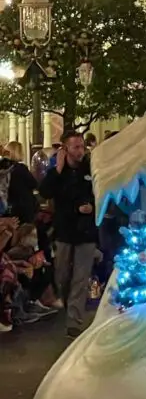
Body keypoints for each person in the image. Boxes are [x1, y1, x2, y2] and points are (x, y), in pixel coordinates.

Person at [39, 131, 97, 337]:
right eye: (75, 147)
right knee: (62, 275)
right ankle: (64, 301)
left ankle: (74, 320)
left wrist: (91, 207)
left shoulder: (90, 169)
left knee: (81, 278)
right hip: (64, 231)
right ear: (65, 150)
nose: (80, 151)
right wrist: (57, 169)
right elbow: (44, 192)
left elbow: (99, 193)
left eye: (82, 146)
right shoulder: (58, 173)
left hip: (86, 232)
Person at [0, 142, 39, 224]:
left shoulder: (3, 169)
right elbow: (34, 184)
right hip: (23, 208)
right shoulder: (21, 169)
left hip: (8, 207)